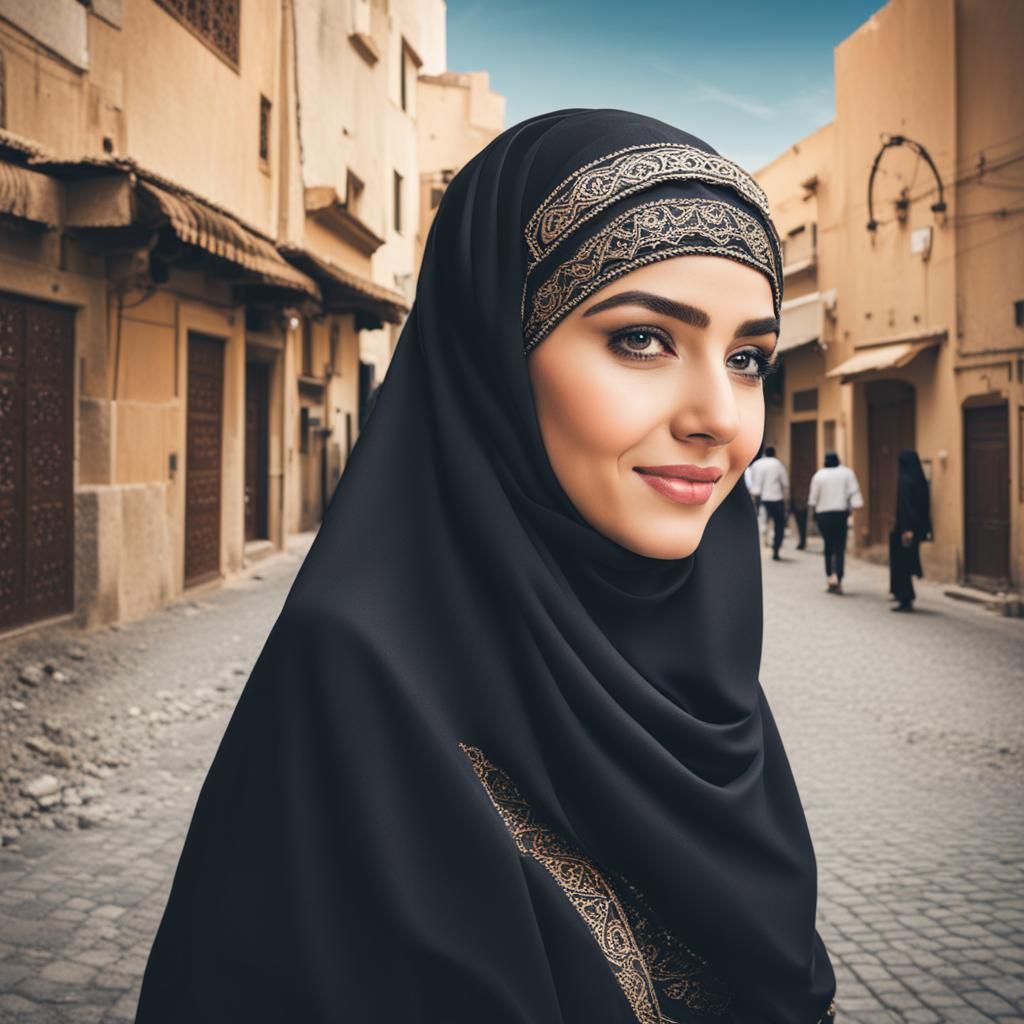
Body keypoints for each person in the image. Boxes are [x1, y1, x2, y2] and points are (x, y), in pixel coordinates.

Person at [135, 110, 836, 1024]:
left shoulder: (699, 660)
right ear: (494, 350)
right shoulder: (355, 675)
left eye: (748, 359)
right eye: (642, 338)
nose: (721, 416)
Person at [808, 451, 864, 594]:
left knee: (828, 546)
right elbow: (854, 493)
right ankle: (839, 578)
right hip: (840, 514)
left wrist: (813, 514)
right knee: (839, 547)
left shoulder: (819, 475)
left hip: (824, 515)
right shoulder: (847, 473)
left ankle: (830, 576)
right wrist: (855, 508)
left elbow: (813, 499)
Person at [889, 449, 932, 611]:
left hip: (905, 529)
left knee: (902, 564)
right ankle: (904, 595)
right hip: (916, 527)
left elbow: (906, 506)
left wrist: (906, 529)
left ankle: (905, 597)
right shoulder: (919, 479)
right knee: (908, 562)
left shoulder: (906, 479)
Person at [748, 445, 789, 560]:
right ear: (774, 453)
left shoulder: (756, 464)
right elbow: (785, 482)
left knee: (761, 520)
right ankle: (776, 547)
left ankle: (762, 542)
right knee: (779, 524)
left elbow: (751, 481)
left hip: (758, 496)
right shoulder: (778, 464)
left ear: (765, 453)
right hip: (775, 497)